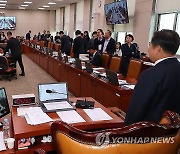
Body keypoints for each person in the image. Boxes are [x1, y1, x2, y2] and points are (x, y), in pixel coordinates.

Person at [125, 30, 180, 126]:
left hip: (150, 134)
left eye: (150, 44)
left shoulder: (150, 75)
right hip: (174, 134)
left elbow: (136, 111)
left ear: (158, 49)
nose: (148, 48)